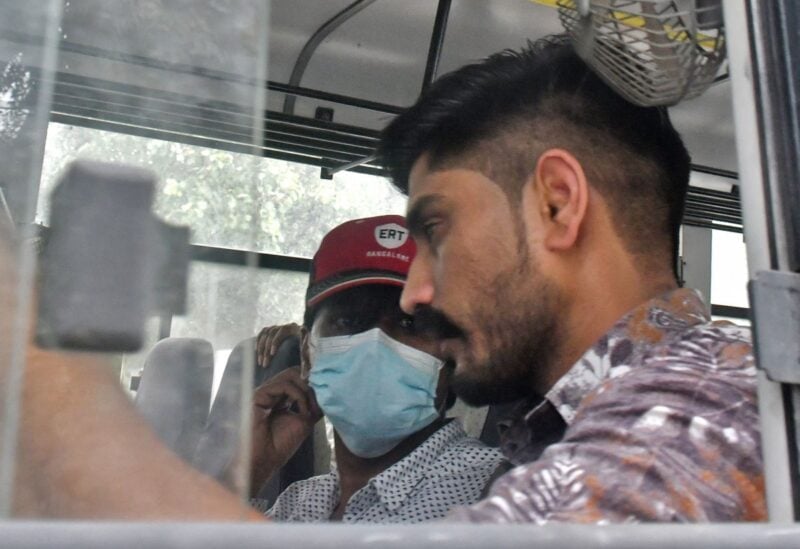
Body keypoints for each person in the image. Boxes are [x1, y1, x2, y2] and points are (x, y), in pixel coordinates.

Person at [375, 35, 765, 522]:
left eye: (435, 232)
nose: (413, 295)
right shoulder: (577, 428)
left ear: (557, 205)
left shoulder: (699, 414)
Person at [247, 215, 504, 522]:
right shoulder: (298, 504)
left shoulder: (499, 495)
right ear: (306, 351)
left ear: (455, 357)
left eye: (410, 323)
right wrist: (247, 472)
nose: (375, 346)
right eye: (348, 321)